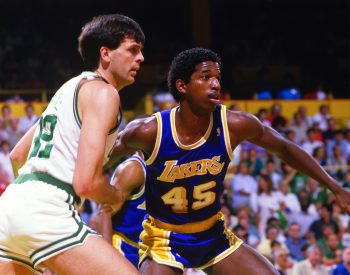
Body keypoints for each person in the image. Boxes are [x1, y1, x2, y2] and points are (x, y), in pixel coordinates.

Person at [112, 48, 350, 274]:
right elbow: (102, 155)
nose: (215, 84)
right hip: (164, 238)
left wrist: (336, 188)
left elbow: (285, 148)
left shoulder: (234, 124)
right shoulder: (149, 131)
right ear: (182, 86)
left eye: (217, 77)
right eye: (205, 77)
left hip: (213, 235)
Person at [0, 14, 144, 275]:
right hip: (46, 211)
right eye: (132, 50)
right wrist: (117, 196)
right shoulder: (104, 93)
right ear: (106, 54)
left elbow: (17, 155)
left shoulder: (68, 89)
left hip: (10, 207)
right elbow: (86, 183)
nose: (141, 58)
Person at [96, 153, 147, 268]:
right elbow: (103, 213)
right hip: (125, 250)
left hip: (154, 252)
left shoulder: (171, 167)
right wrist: (108, 261)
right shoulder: (133, 169)